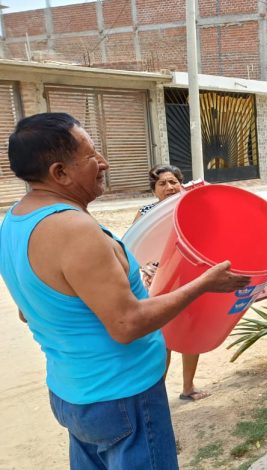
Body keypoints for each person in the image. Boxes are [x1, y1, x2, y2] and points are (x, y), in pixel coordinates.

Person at [0, 112, 251, 469]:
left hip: (72, 394)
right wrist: (205, 283)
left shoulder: (14, 221)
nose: (103, 163)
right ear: (60, 173)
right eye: (91, 156)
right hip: (121, 397)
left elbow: (32, 310)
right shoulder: (75, 230)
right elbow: (127, 325)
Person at [133, 164, 210, 402]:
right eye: (162, 184)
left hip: (190, 277)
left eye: (173, 182)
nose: (169, 187)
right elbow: (134, 247)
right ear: (154, 189)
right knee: (162, 337)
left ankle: (188, 387)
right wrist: (145, 267)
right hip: (160, 282)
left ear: (181, 184)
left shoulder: (193, 206)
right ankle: (158, 394)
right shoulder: (146, 213)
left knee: (191, 331)